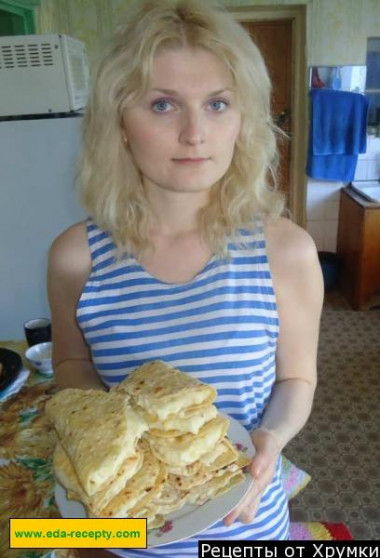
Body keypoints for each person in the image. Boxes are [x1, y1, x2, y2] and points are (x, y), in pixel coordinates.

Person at [47, 0, 324, 555]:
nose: (196, 133)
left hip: (243, 525)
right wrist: (108, 445)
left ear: (242, 119)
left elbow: (297, 380)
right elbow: (72, 365)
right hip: (123, 534)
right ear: (120, 123)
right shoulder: (75, 256)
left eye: (218, 103)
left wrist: (271, 438)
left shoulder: (286, 252)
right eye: (163, 104)